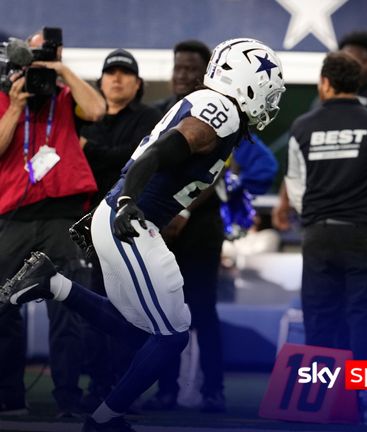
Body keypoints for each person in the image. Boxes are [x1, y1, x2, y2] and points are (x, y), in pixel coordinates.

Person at [0, 38, 285, 431]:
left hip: (125, 217)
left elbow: (152, 152)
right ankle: (103, 420)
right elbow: (164, 149)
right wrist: (126, 200)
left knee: (145, 334)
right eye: (267, 85)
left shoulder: (210, 104)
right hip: (133, 223)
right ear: (246, 81)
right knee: (171, 339)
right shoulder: (222, 110)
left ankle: (52, 283)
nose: (271, 97)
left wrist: (115, 203)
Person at [284, 51, 367, 423]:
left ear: (324, 83)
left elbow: (295, 187)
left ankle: (320, 404)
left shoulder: (302, 127)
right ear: (357, 84)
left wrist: (315, 221)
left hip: (319, 236)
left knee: (320, 320)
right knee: (365, 320)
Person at [0, 28, 105, 417]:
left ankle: (67, 397)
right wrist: (14, 107)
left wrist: (61, 69)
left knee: (68, 307)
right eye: (35, 54)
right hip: (13, 215)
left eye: (48, 53)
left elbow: (97, 111)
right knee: (3, 304)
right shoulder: (5, 97)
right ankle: (9, 394)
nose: (40, 62)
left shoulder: (65, 96)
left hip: (62, 213)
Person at [142, 40, 229, 414]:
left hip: (200, 229)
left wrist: (183, 214)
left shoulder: (224, 116)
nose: (183, 75)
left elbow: (220, 173)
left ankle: (214, 390)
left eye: (192, 69)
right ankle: (166, 391)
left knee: (204, 311)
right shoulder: (162, 113)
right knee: (164, 312)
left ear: (207, 74)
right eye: (178, 68)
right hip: (160, 230)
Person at [79, 48, 162, 409]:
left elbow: (134, 160)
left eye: (125, 73)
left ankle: (125, 390)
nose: (117, 78)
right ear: (100, 81)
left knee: (129, 310)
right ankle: (98, 384)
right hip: (85, 229)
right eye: (111, 72)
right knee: (95, 310)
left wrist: (88, 149)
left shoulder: (150, 117)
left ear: (138, 82)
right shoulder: (86, 117)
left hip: (129, 229)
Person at [272, 31, 367, 232]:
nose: (353, 64)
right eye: (347, 57)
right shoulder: (320, 103)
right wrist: (284, 200)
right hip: (322, 218)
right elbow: (299, 159)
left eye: (361, 60)